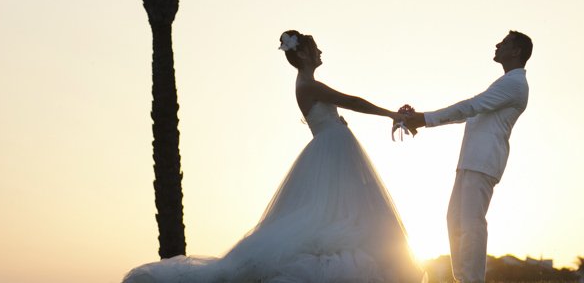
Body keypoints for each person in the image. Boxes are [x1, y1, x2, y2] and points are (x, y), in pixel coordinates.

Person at [123, 30, 424, 283]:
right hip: (332, 150)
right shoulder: (308, 85)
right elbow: (351, 101)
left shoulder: (308, 84)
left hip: (335, 148)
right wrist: (391, 114)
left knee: (344, 211)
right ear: (304, 54)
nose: (321, 53)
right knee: (333, 213)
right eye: (316, 49)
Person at [401, 30, 532, 283]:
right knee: (456, 220)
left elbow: (472, 105)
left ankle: (472, 280)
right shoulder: (506, 82)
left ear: (516, 51)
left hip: (483, 161)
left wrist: (424, 119)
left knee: (471, 224)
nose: (497, 44)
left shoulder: (514, 83)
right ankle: (463, 279)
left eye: (504, 42)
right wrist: (423, 121)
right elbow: (470, 113)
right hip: (471, 161)